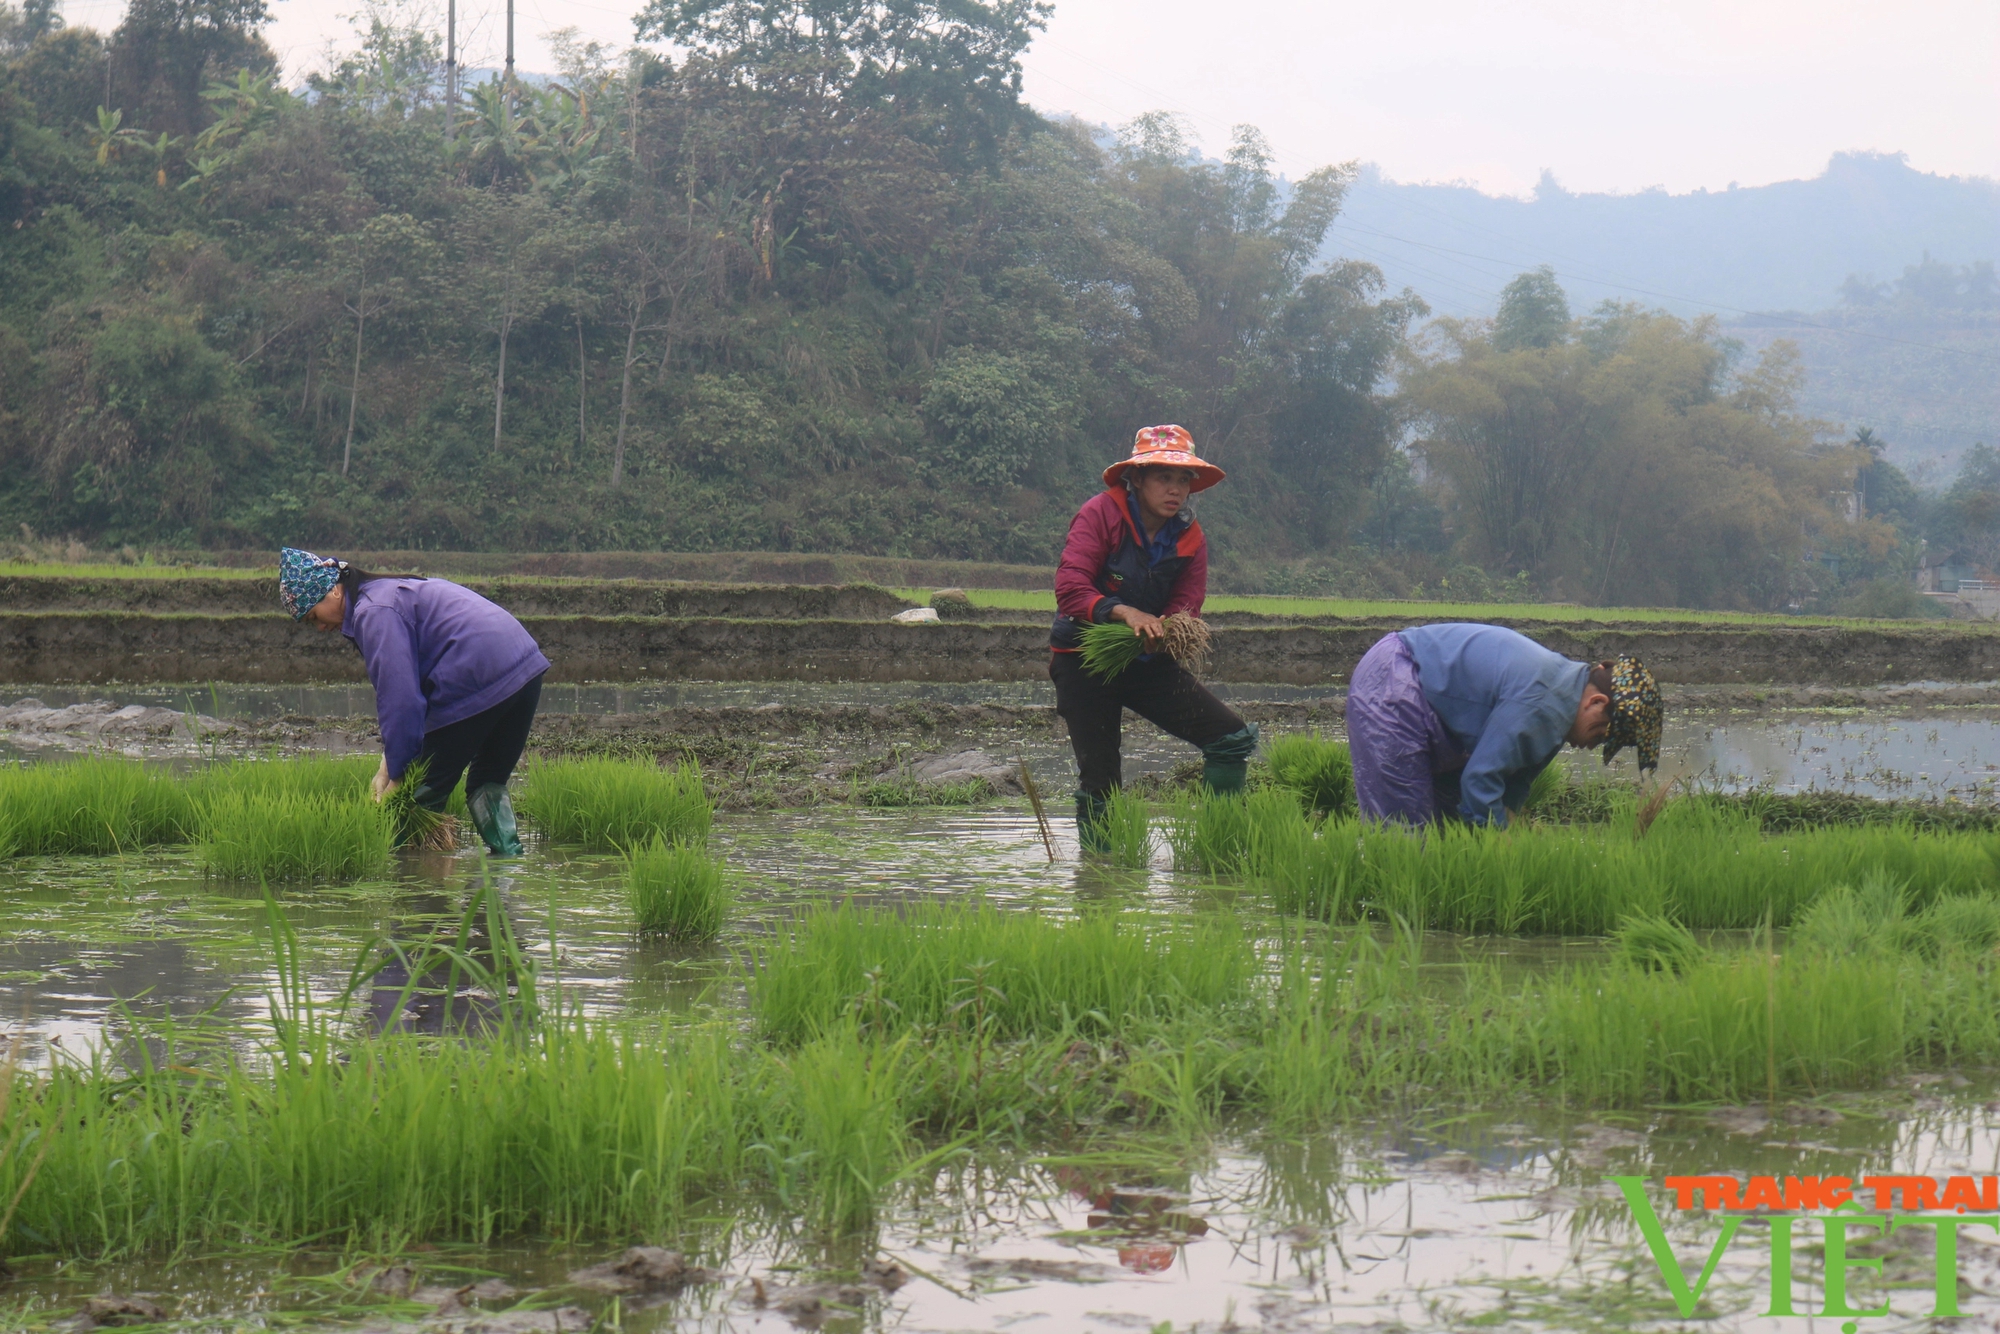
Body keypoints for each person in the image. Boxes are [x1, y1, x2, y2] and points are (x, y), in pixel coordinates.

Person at [1050, 425, 1259, 847]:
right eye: (1164, 476)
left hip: (1145, 660)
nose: (1176, 489)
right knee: (1101, 781)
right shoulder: (1100, 514)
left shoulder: (1190, 538)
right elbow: (1071, 587)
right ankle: (1101, 875)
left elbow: (1187, 606)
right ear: (1137, 478)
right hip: (1084, 658)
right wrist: (1125, 612)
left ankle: (1218, 847)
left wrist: (1167, 632)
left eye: (1184, 480)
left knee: (1230, 737)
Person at [279, 548, 550, 855]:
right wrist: (388, 763)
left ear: (333, 591)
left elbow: (402, 701)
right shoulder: (386, 594)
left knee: (415, 800)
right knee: (487, 782)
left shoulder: (374, 612)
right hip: (524, 667)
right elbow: (414, 694)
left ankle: (411, 888)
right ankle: (508, 872)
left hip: (475, 672)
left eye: (313, 615)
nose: (320, 627)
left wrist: (397, 778)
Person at [1344, 622, 1661, 827]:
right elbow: (1479, 782)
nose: (1597, 744)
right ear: (1596, 703)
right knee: (1405, 834)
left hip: (1425, 698)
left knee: (1449, 828)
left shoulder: (1560, 711)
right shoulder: (1542, 702)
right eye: (1605, 733)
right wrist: (1504, 844)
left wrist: (1511, 835)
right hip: (1395, 678)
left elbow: (1510, 787)